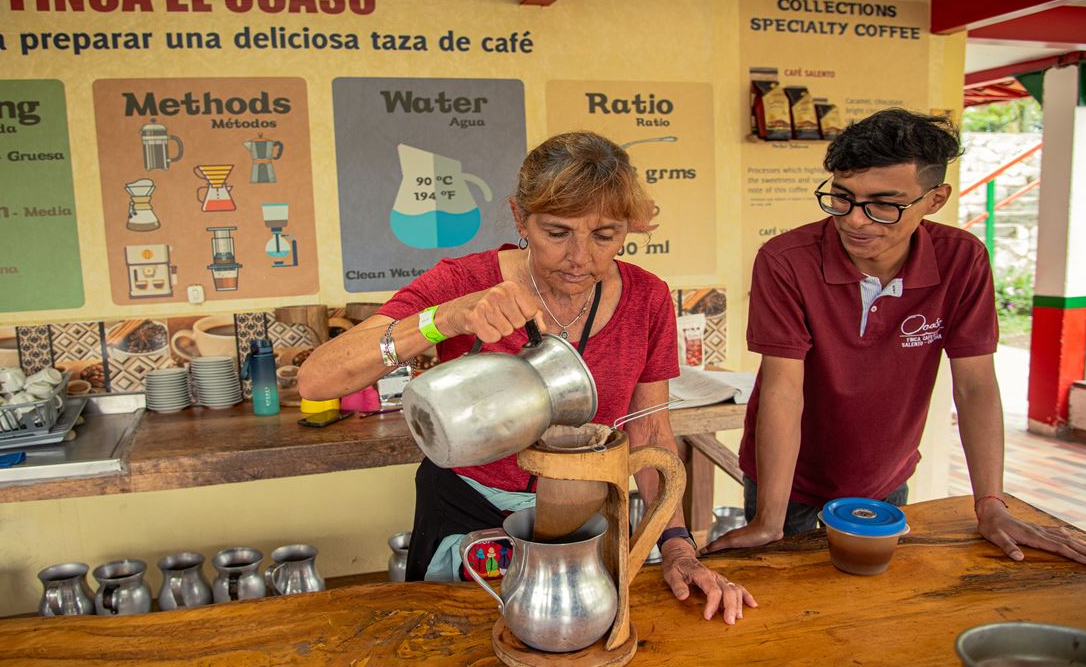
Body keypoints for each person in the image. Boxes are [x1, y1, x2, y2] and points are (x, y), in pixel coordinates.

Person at [300, 131, 757, 624]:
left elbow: (649, 431)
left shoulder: (646, 298)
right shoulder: (465, 282)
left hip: (588, 516)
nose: (580, 257)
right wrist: (445, 318)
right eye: (557, 232)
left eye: (604, 235)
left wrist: (676, 545)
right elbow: (317, 380)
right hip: (468, 514)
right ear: (520, 218)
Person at [702, 109, 1086, 567]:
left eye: (883, 204)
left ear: (935, 199)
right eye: (842, 197)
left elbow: (975, 387)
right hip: (785, 478)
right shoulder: (786, 261)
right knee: (776, 587)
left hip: (884, 474)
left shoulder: (962, 261)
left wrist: (990, 504)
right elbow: (782, 390)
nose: (856, 220)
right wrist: (769, 522)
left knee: (871, 600)